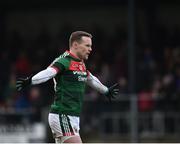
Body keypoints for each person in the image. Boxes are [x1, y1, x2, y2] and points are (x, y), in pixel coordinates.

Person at [16, 31, 119, 143]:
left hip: (73, 117)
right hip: (62, 114)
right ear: (75, 45)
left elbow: (90, 78)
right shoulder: (64, 61)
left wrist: (106, 90)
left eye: (91, 46)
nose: (90, 49)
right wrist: (31, 81)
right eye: (87, 45)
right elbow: (49, 72)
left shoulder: (80, 63)